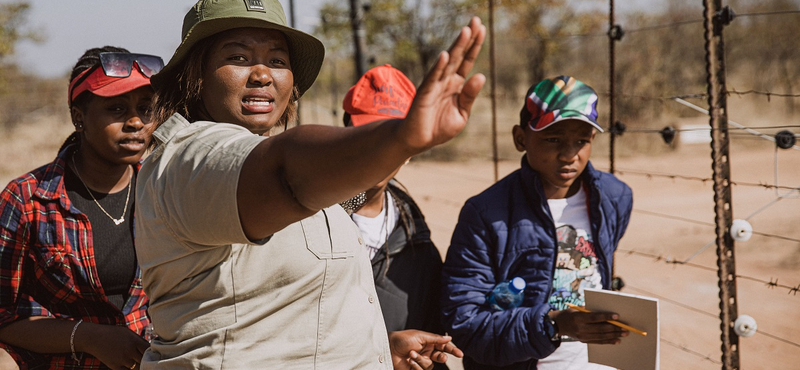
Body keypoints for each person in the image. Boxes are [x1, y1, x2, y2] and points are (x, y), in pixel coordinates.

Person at [134, 0, 484, 369]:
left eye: (277, 61)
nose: (262, 75)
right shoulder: (190, 160)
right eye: (238, 58)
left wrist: (376, 347)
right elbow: (285, 173)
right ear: (196, 74)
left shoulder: (326, 189)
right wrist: (399, 137)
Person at [440, 76, 634, 369]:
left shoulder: (613, 198)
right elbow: (465, 324)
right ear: (521, 138)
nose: (570, 154)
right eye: (553, 139)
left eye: (582, 140)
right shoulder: (485, 214)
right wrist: (554, 325)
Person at [0, 46, 161, 369]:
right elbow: (4, 316)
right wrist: (91, 337)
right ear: (79, 117)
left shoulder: (164, 189)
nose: (135, 122)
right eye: (116, 109)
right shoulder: (27, 200)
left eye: (145, 108)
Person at [341, 65, 448, 369]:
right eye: (366, 134)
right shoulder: (306, 223)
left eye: (393, 137)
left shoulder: (420, 245)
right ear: (344, 135)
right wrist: (379, 353)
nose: (378, 150)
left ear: (412, 149)